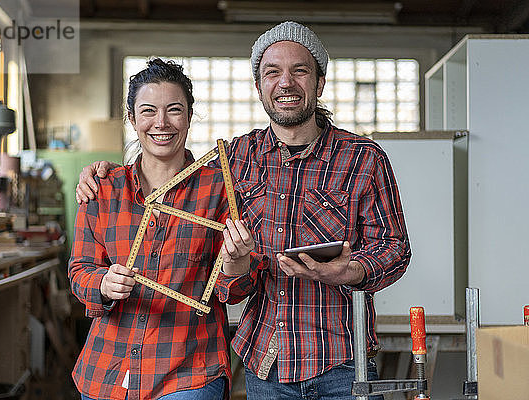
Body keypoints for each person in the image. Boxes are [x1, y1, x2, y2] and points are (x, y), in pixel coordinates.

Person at [76, 21, 411, 400]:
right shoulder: (236, 157)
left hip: (342, 362)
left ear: (319, 83)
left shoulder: (364, 159)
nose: (285, 83)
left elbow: (395, 249)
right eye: (272, 72)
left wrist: (348, 271)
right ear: (259, 87)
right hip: (265, 362)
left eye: (299, 70)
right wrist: (100, 172)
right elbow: (170, 171)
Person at [68, 58, 263, 400]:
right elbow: (80, 270)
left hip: (189, 368)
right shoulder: (103, 187)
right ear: (132, 119)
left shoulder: (220, 188)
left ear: (189, 116)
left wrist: (236, 264)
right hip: (108, 368)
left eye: (174, 110)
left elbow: (233, 289)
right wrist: (103, 283)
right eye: (148, 111)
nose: (161, 123)